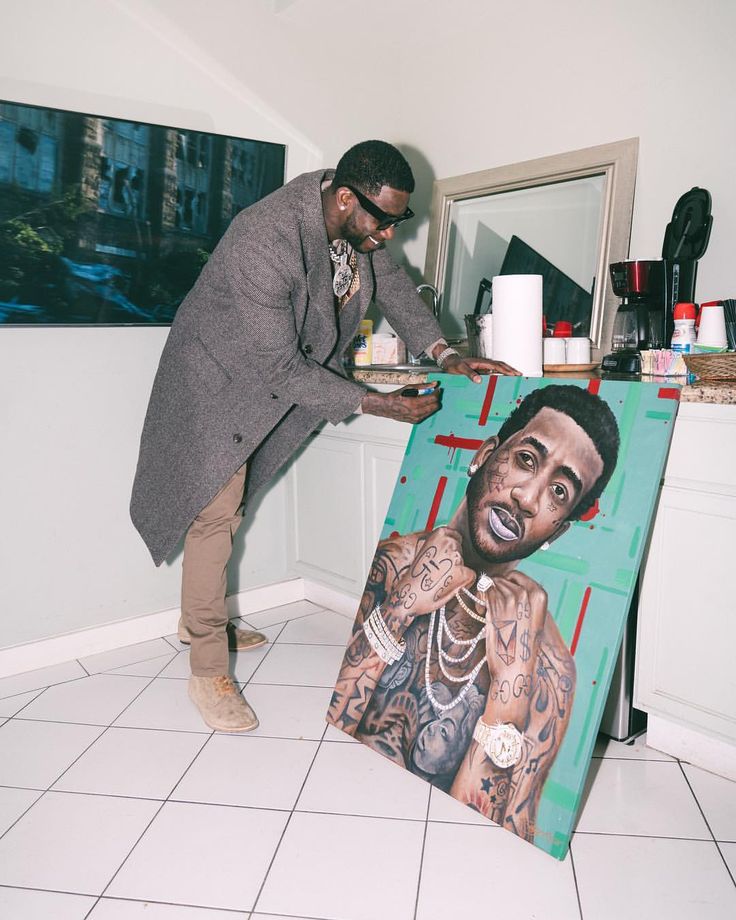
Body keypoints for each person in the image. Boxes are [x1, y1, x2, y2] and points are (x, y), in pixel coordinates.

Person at [130, 140, 517, 733]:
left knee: (229, 510)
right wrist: (375, 403)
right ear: (344, 198)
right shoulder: (266, 240)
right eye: (382, 220)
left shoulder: (352, 232)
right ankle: (207, 666)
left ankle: (197, 615)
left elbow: (393, 286)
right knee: (213, 512)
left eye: (397, 221)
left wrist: (445, 353)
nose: (388, 235)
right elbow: (283, 367)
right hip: (211, 384)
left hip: (267, 381)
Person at [327, 384, 620, 843]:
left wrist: (510, 687)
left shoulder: (549, 672)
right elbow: (331, 732)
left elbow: (497, 837)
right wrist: (402, 605)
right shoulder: (392, 566)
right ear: (483, 455)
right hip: (343, 818)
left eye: (558, 491)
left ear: (557, 532)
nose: (527, 497)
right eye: (526, 459)